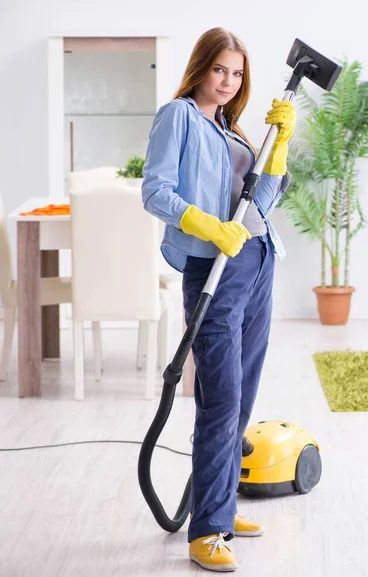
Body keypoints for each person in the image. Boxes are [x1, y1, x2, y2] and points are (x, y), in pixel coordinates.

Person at [141, 27, 295, 572]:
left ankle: (222, 508)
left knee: (243, 396)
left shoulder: (232, 131)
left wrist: (279, 148)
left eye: (237, 73)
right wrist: (204, 223)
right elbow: (155, 191)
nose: (228, 81)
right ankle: (206, 530)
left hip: (257, 265)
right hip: (213, 271)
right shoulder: (177, 116)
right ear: (201, 68)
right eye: (219, 69)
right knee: (220, 399)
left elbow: (264, 202)